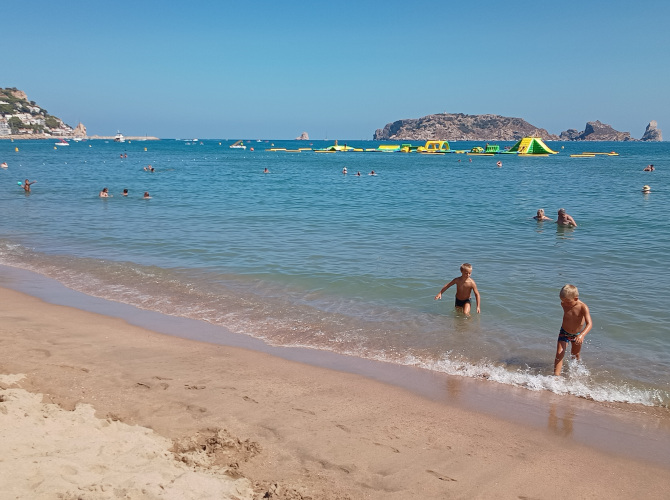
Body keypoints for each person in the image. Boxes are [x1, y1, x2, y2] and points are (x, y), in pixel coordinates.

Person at [554, 284, 592, 376]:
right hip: (564, 331)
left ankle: (576, 372)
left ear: (575, 298)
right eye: (563, 301)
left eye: (567, 302)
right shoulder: (564, 304)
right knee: (559, 353)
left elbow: (589, 324)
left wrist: (582, 335)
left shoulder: (583, 307)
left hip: (577, 334)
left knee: (575, 354)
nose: (564, 304)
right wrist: (566, 302)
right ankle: (556, 377)